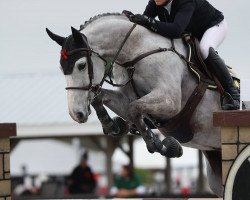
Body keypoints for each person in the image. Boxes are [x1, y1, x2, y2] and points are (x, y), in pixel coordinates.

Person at [123, 0, 240, 110]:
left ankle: (233, 93)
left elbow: (175, 30)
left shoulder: (185, 1)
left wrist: (148, 21)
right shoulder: (155, 2)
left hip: (213, 26)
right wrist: (133, 18)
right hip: (191, 31)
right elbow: (146, 22)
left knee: (204, 48)